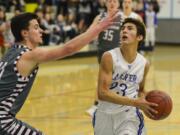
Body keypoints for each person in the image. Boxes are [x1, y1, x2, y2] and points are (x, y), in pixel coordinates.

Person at [0, 12, 117, 135]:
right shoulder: (30, 55)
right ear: (24, 33)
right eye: (36, 27)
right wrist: (98, 28)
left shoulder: (9, 54)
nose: (41, 30)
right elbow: (68, 48)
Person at [93, 18, 158, 135]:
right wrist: (136, 102)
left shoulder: (144, 64)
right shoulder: (109, 57)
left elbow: (140, 90)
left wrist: (149, 102)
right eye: (123, 29)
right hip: (105, 113)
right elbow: (102, 93)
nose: (124, 31)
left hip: (129, 115)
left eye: (130, 28)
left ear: (140, 37)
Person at [86, 0, 124, 116]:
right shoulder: (100, 17)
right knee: (102, 80)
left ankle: (115, 104)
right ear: (106, 3)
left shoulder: (123, 18)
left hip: (117, 53)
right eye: (109, 1)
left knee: (116, 80)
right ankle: (96, 105)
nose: (112, 3)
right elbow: (90, 32)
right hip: (103, 53)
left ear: (118, 4)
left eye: (114, 1)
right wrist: (92, 35)